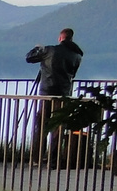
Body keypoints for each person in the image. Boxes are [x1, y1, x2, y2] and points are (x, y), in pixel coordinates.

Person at [25, 28, 83, 161]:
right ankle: (53, 157)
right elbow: (73, 74)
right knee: (58, 125)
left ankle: (37, 155)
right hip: (64, 93)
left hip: (47, 92)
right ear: (71, 38)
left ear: (60, 38)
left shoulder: (50, 50)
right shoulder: (77, 55)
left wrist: (38, 48)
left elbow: (29, 58)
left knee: (41, 124)